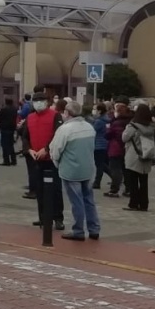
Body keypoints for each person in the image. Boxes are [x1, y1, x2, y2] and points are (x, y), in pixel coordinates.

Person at [50, 100, 100, 241]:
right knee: (89, 200)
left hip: (71, 170)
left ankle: (78, 230)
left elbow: (55, 149)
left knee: (76, 201)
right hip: (88, 168)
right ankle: (94, 229)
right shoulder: (89, 127)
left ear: (67, 113)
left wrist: (57, 163)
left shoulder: (65, 129)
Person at [25, 92, 65, 231]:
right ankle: (43, 217)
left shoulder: (55, 116)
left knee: (55, 189)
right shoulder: (29, 117)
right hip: (35, 158)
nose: (38, 103)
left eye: (41, 100)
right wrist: (29, 149)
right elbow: (24, 136)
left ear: (47, 102)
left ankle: (58, 218)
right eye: (36, 101)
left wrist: (46, 149)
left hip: (51, 159)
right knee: (39, 189)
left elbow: (58, 134)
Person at [121, 104, 155, 211]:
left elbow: (124, 138)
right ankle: (144, 204)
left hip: (134, 155)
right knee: (144, 182)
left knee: (133, 181)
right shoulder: (151, 126)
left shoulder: (133, 126)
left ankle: (133, 203)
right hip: (146, 154)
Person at [103, 102, 132, 198]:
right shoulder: (130, 121)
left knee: (115, 169)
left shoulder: (115, 123)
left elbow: (109, 135)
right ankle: (128, 189)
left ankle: (114, 189)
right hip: (127, 148)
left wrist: (107, 129)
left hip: (115, 148)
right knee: (126, 169)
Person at [91, 103, 110, 189]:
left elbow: (92, 131)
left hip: (98, 145)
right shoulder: (107, 120)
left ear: (99, 110)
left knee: (99, 165)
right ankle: (116, 177)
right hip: (105, 144)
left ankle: (97, 182)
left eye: (95, 109)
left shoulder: (98, 121)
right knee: (102, 164)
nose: (94, 111)